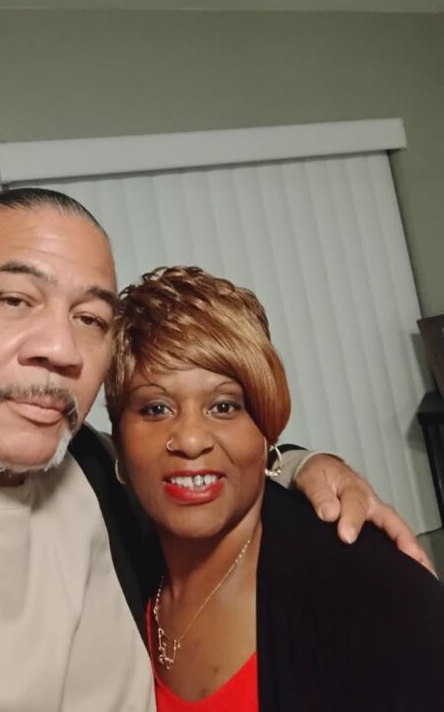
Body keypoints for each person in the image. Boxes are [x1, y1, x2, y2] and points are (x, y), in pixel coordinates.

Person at [0, 189, 431, 711]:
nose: (60, 348)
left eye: (89, 319)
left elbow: (194, 459)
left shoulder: (87, 463)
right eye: (16, 300)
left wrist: (301, 463)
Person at [105, 265, 444, 712]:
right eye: (155, 408)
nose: (190, 439)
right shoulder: (120, 558)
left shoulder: (371, 591)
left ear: (266, 427)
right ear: (118, 438)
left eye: (223, 406)